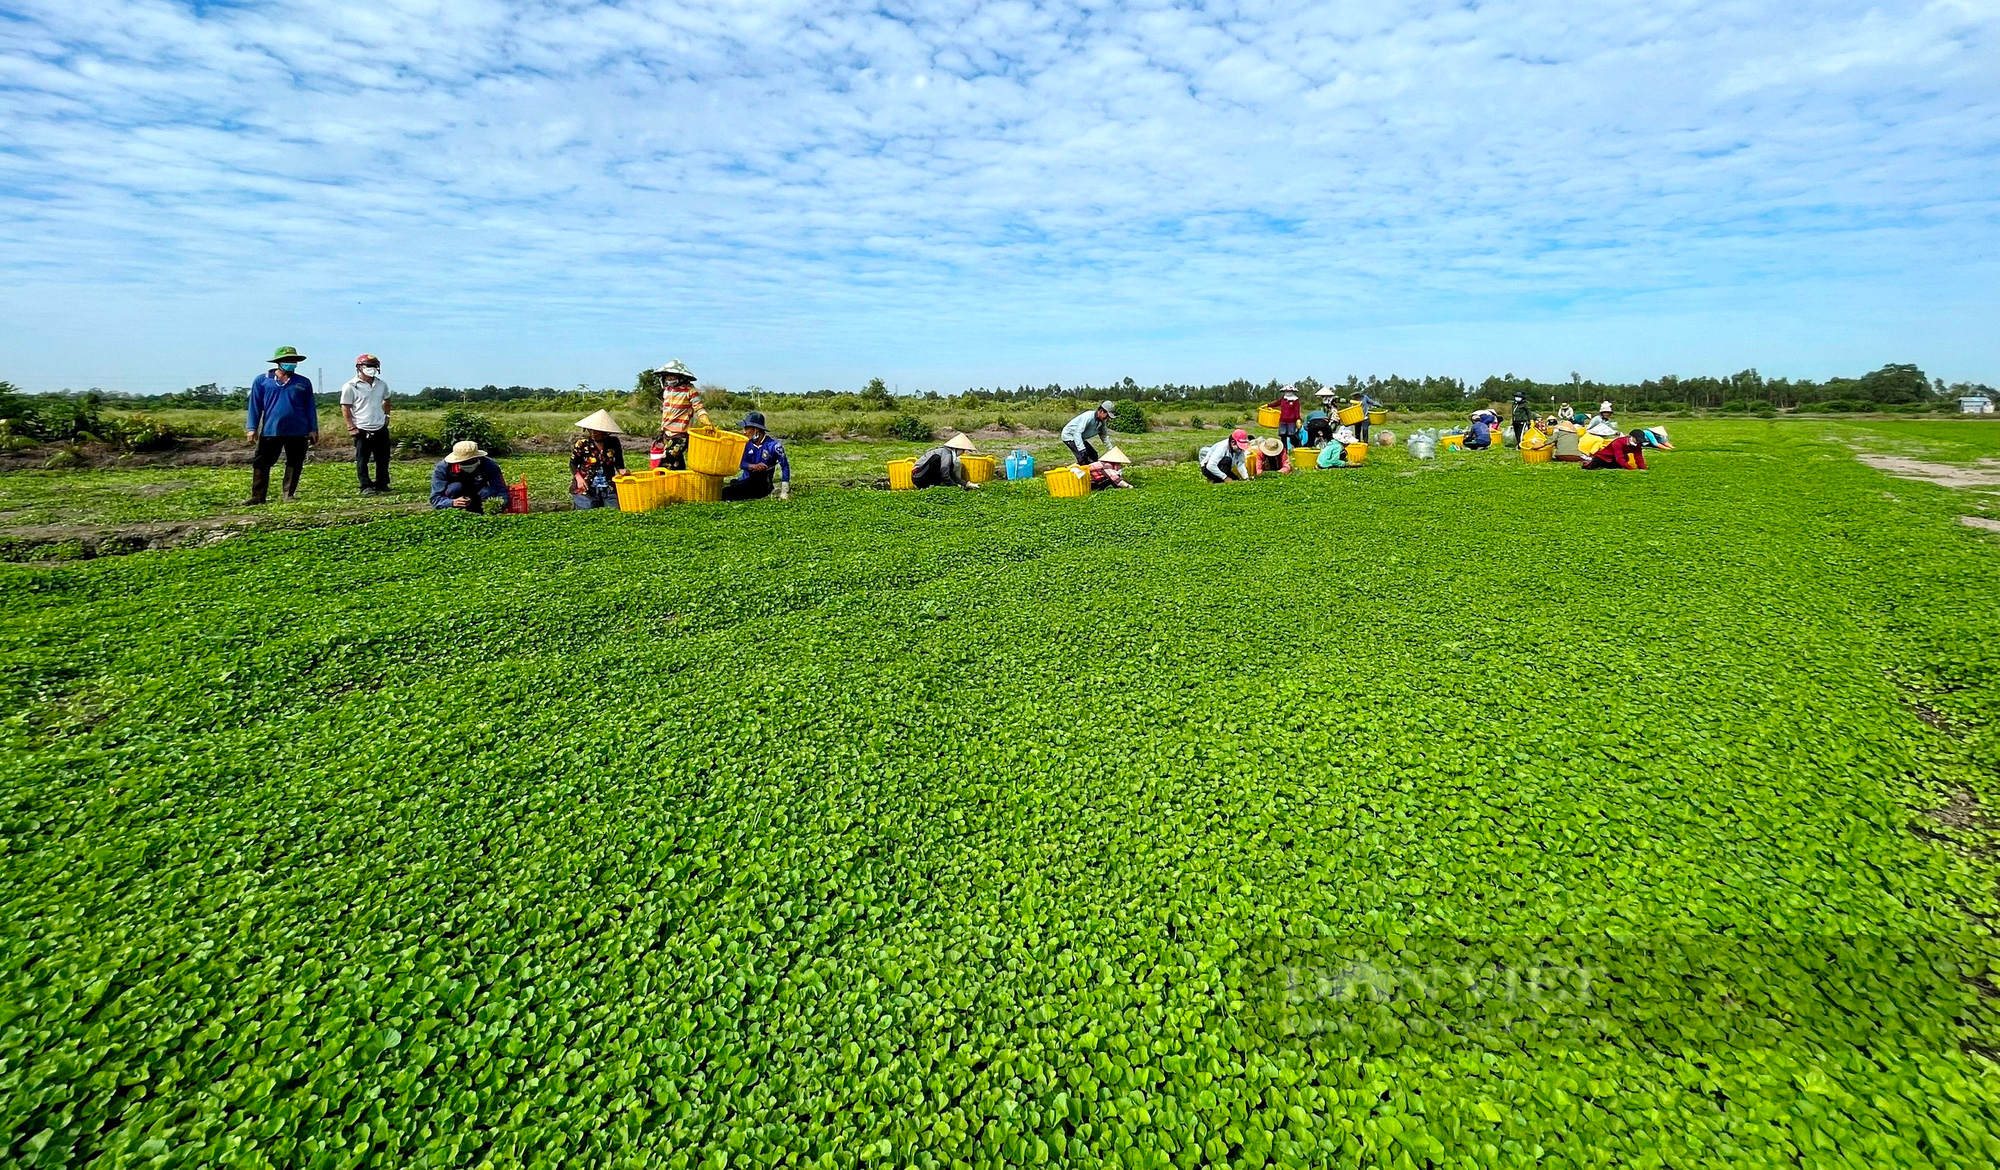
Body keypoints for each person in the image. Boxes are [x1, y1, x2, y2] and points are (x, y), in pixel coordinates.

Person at [244, 345, 319, 505]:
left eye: (293, 360)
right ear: (278, 362)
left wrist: (313, 428)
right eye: (287, 360)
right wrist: (252, 427)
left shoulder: (303, 382)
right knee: (262, 462)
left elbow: (310, 407)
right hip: (272, 430)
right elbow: (255, 406)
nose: (291, 363)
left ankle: (288, 494)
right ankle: (257, 496)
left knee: (295, 462)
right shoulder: (263, 381)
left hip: (298, 430)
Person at [340, 353, 392, 494]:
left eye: (374, 366)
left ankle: (382, 483)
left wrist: (387, 416)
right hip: (362, 428)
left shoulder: (381, 384)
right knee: (363, 459)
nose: (372, 368)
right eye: (369, 366)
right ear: (360, 367)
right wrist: (351, 426)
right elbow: (345, 407)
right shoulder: (350, 386)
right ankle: (365, 485)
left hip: (380, 426)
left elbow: (387, 400)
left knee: (383, 458)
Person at [654, 360, 710, 471]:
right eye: (668, 376)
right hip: (667, 433)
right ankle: (680, 486)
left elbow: (699, 407)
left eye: (673, 376)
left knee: (665, 464)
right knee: (676, 465)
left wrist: (706, 421)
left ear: (680, 377)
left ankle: (658, 486)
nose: (670, 379)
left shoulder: (690, 391)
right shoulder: (667, 391)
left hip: (680, 436)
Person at [722, 411, 791, 500]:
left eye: (747, 428)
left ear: (756, 429)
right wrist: (753, 466)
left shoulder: (774, 446)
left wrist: (785, 489)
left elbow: (785, 466)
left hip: (762, 484)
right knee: (726, 491)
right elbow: (741, 463)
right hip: (745, 480)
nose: (744, 432)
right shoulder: (746, 444)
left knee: (728, 494)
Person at [430, 440, 510, 511]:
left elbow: (501, 490)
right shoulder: (443, 468)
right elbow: (436, 498)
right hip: (456, 500)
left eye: (472, 461)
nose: (469, 464)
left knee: (488, 492)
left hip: (480, 497)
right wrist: (452, 503)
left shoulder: (489, 464)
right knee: (455, 488)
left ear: (478, 457)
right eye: (464, 462)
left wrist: (501, 503)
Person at [569, 409, 626, 510]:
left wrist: (622, 470)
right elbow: (573, 463)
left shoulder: (613, 442)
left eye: (597, 431)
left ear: (605, 432)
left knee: (614, 509)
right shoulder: (582, 443)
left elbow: (619, 463)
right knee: (589, 508)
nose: (593, 433)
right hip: (586, 486)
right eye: (591, 430)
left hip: (608, 486)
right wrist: (579, 479)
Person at [911, 432, 982, 490]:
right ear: (957, 449)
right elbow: (944, 473)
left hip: (922, 476)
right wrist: (954, 486)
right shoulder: (946, 453)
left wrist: (967, 484)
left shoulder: (948, 455)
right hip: (919, 477)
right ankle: (929, 486)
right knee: (936, 459)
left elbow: (951, 474)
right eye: (962, 450)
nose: (963, 452)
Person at [1061, 400, 1115, 464]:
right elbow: (1077, 432)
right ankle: (1081, 472)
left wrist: (1111, 450)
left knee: (1094, 455)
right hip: (1069, 435)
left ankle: (1093, 471)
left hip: (1080, 437)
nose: (1107, 418)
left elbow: (1104, 436)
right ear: (1101, 411)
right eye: (1107, 415)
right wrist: (1082, 449)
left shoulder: (1102, 422)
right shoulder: (1088, 416)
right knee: (1083, 457)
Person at [1581, 433, 1648, 471]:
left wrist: (1643, 468)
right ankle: (1588, 461)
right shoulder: (1618, 442)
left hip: (1614, 460)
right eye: (1637, 440)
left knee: (1617, 466)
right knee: (1591, 466)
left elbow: (1638, 457)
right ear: (1631, 437)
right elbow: (1619, 457)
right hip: (1603, 457)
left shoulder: (1637, 446)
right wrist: (1630, 468)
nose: (1638, 442)